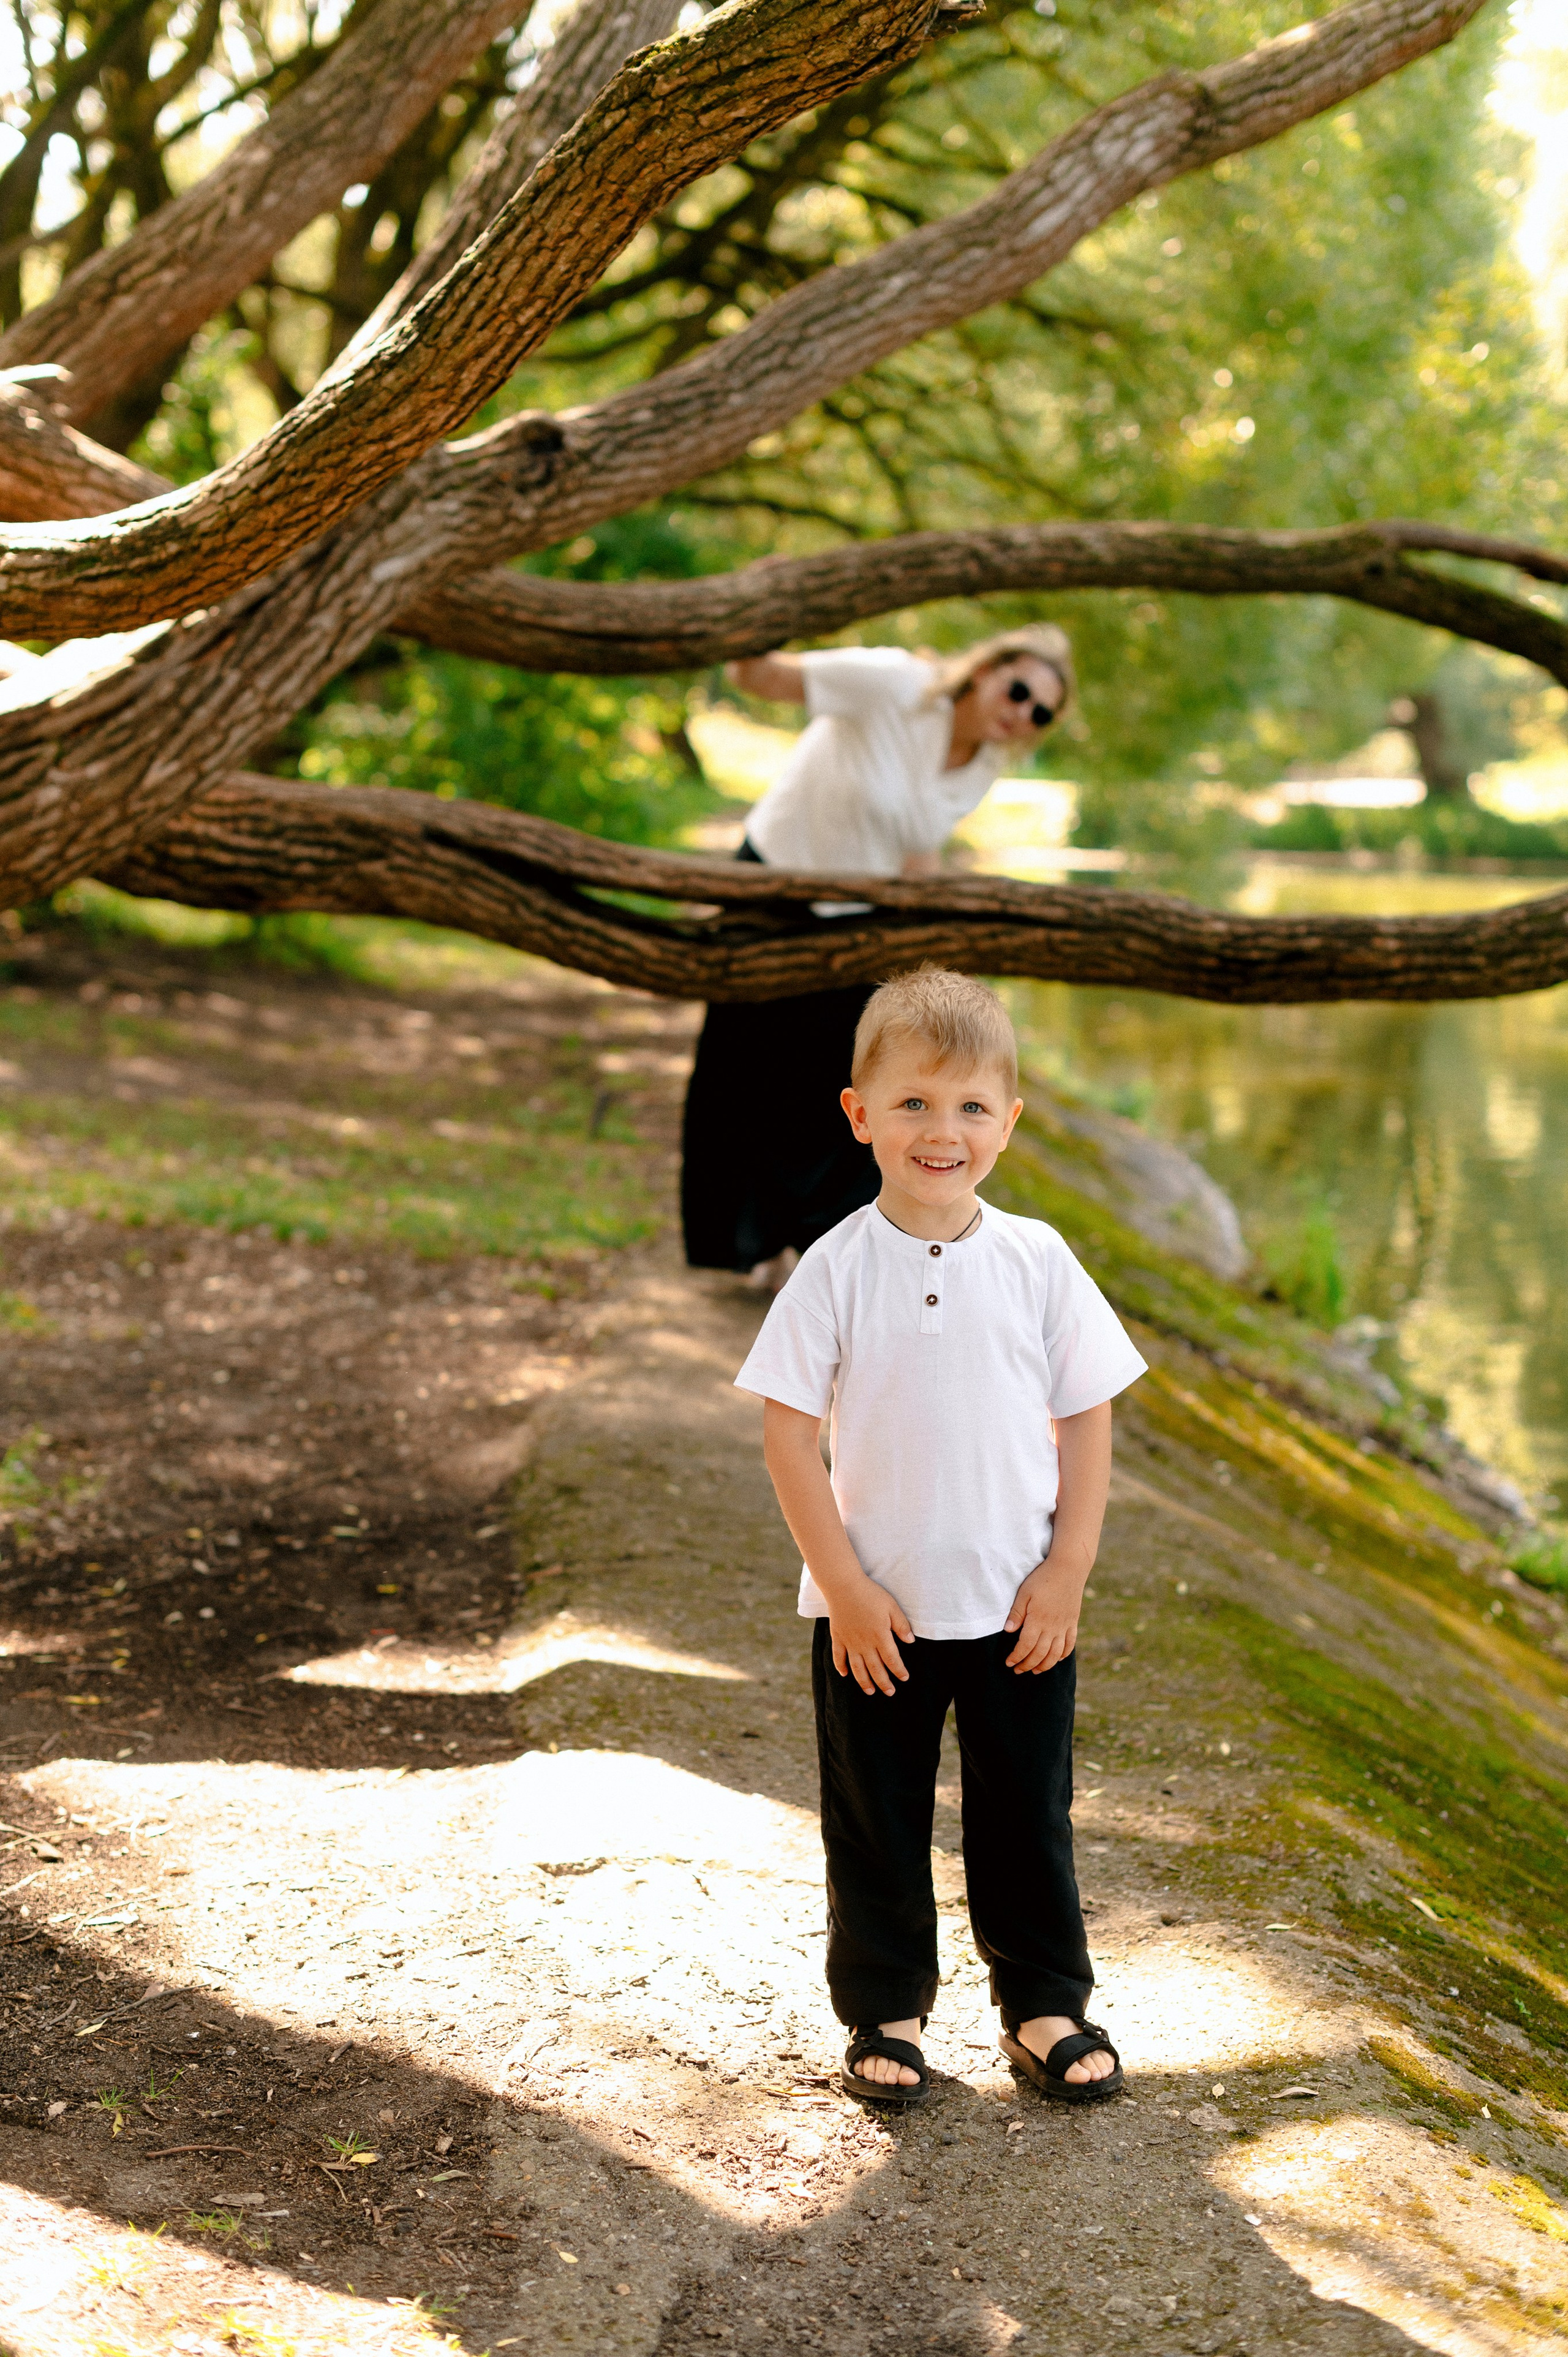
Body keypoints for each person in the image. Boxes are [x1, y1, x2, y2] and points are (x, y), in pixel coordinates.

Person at [733, 967, 1144, 2108]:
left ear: (1008, 1122)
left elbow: (1087, 1415)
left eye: (969, 1107)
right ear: (860, 1114)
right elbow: (787, 1438)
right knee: (877, 1818)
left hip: (1019, 1605)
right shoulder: (833, 1268)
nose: (941, 1130)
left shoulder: (1039, 1259)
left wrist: (1068, 1568)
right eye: (913, 1103)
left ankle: (1045, 2003)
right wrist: (844, 1584)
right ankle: (888, 2009)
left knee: (1026, 1814)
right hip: (879, 1614)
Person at [681, 625, 1075, 1290]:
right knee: (746, 1066)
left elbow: (917, 856)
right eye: (1019, 690)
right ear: (985, 668)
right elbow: (763, 677)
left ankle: (813, 1251)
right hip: (775, 886)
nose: (1021, 714)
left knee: (856, 1081)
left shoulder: (981, 765)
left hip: (861, 922)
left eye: (1040, 713)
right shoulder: (895, 683)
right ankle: (744, 1242)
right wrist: (763, 612)